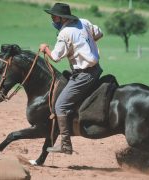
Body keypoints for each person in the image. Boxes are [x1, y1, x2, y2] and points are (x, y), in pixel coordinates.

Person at [39, 3, 103, 154]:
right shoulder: (84, 21)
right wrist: (86, 47)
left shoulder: (65, 33)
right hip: (96, 69)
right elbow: (99, 33)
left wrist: (45, 49)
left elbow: (55, 57)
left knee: (60, 105)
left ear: (61, 18)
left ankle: (65, 145)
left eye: (54, 17)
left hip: (84, 75)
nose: (52, 19)